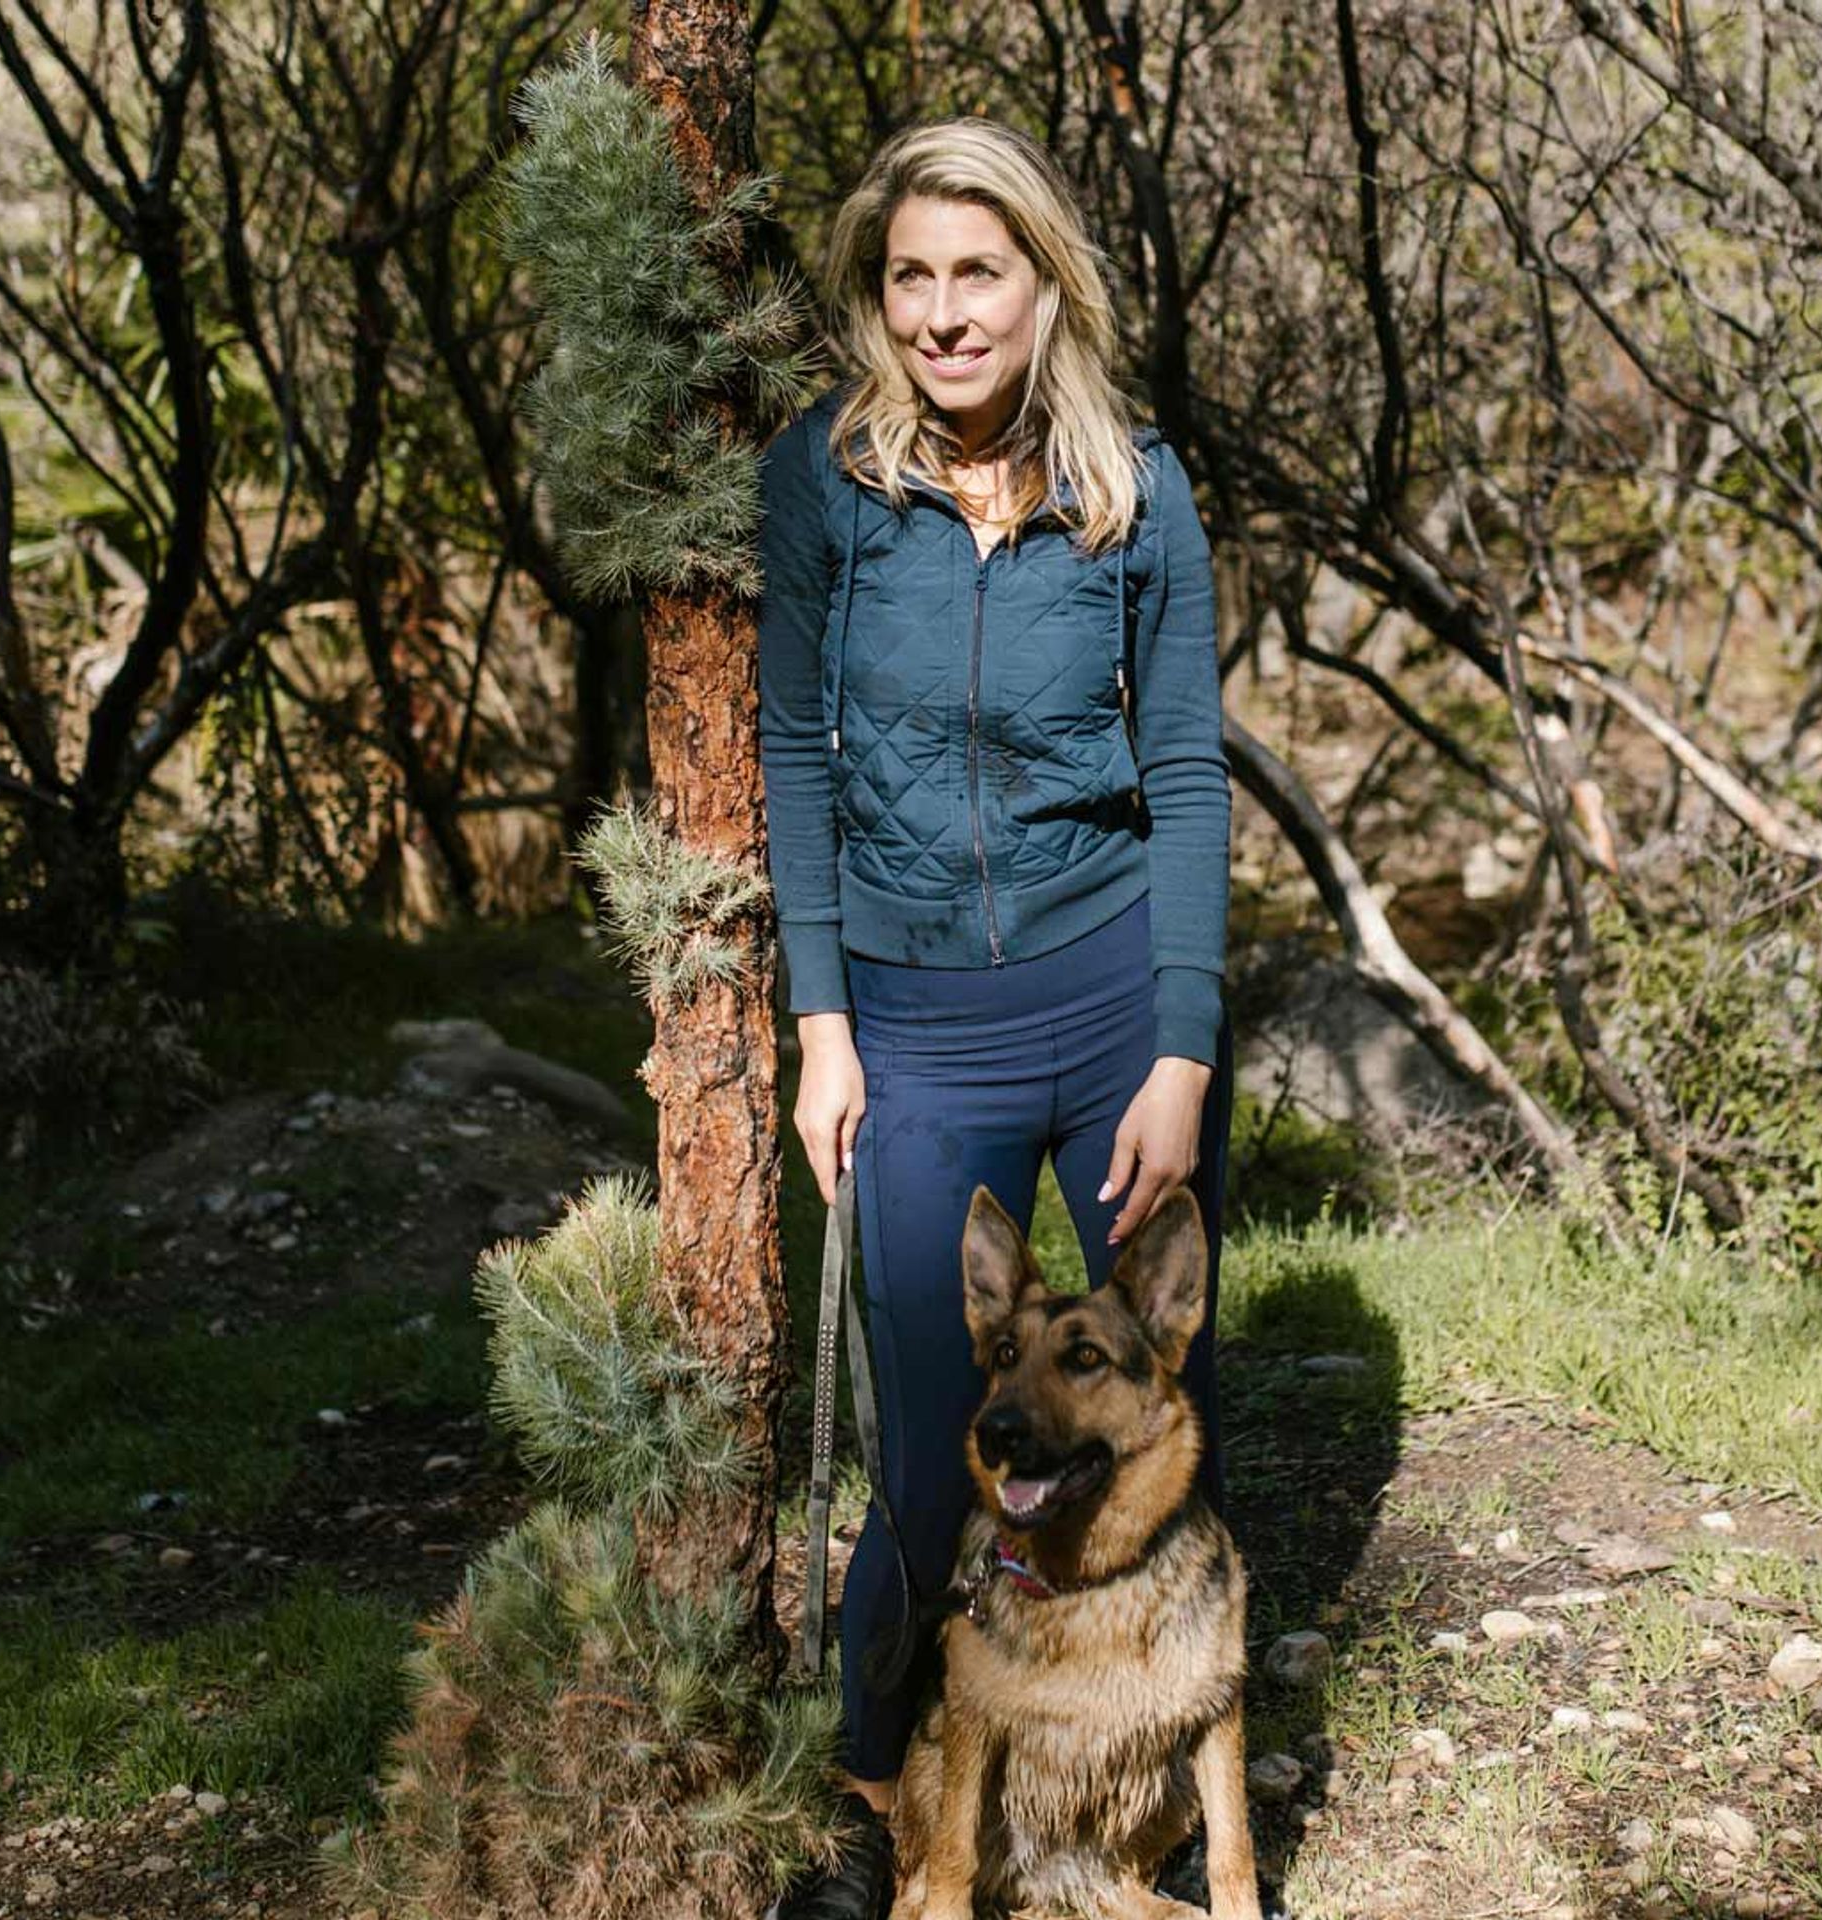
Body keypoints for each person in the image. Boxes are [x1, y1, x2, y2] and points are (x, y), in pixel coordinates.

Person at [758, 115, 1233, 1920]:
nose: (947, 314)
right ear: (878, 302)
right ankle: (882, 1798)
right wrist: (823, 1026)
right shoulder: (825, 484)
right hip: (913, 1022)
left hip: (1113, 992)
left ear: (1045, 287)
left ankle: (1139, 1812)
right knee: (931, 1451)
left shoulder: (1141, 491)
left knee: (1151, 1421)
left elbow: (1185, 772)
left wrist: (1181, 1051)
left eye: (981, 273)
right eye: (912, 278)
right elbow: (795, 752)